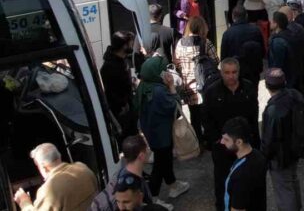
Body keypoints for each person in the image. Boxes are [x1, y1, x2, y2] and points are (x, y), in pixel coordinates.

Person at [203, 58, 261, 210]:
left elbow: (254, 117)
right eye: (227, 72)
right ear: (221, 73)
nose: (231, 76)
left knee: (247, 182)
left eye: (234, 72)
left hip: (245, 148)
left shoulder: (248, 88)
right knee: (222, 182)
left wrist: (255, 143)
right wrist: (217, 140)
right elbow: (206, 120)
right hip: (223, 148)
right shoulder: (212, 92)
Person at [134, 56, 189, 200]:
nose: (167, 72)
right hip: (162, 134)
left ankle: (173, 184)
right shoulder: (159, 91)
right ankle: (153, 197)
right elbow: (176, 109)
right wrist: (171, 87)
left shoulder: (144, 85)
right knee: (159, 165)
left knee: (164, 160)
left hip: (152, 132)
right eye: (164, 70)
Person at [261, 68, 304, 211]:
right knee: (292, 181)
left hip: (279, 156)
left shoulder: (272, 109)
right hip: (294, 150)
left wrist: (264, 156)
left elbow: (268, 139)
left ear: (266, 86)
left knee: (284, 190)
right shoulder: (295, 95)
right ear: (284, 82)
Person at [13, 143, 98, 211]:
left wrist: (24, 202)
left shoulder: (48, 190)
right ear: (59, 157)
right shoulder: (83, 168)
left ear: (43, 167)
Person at [174, 16, 219, 144]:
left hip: (188, 86)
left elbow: (177, 63)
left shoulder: (180, 43)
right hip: (205, 85)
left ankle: (198, 142)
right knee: (208, 115)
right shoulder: (206, 42)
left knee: (194, 116)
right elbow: (216, 61)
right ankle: (210, 140)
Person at [90, 135, 160, 211]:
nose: (149, 151)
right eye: (147, 148)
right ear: (141, 156)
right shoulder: (126, 185)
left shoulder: (128, 175)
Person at [220, 117, 268, 211]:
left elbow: (238, 209)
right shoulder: (258, 156)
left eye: (226, 139)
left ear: (239, 142)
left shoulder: (241, 175)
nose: (222, 142)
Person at [100, 30, 138, 142]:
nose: (132, 46)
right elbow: (110, 91)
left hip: (128, 109)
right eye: (131, 43)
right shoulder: (109, 67)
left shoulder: (122, 60)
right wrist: (122, 105)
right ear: (124, 45)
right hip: (121, 113)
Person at [220, 5, 264, 86]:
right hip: (253, 71)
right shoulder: (256, 30)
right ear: (246, 16)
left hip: (236, 73)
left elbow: (223, 58)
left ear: (233, 17)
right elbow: (263, 52)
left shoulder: (227, 34)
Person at [268, 11, 292, 82]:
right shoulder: (289, 34)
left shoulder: (278, 41)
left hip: (282, 76)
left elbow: (277, 62)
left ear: (276, 24)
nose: (270, 22)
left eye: (272, 21)